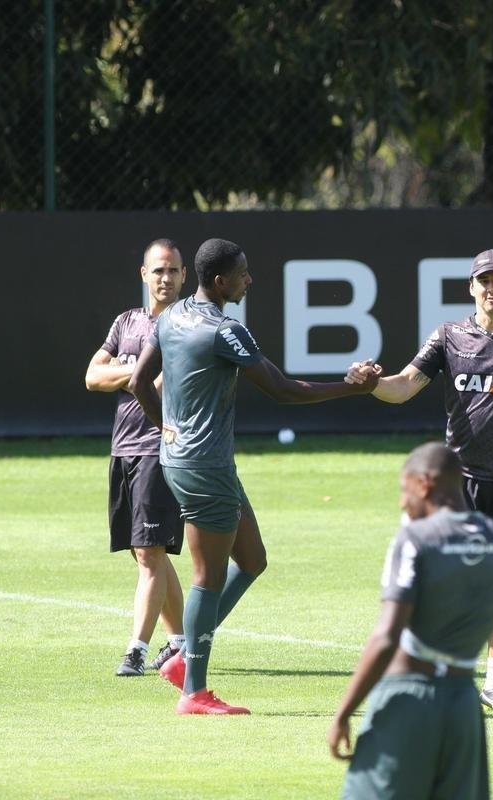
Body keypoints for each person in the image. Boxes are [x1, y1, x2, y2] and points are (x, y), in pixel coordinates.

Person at [128, 237, 380, 715]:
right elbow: (283, 391)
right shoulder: (226, 331)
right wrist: (353, 389)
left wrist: (166, 429)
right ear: (219, 281)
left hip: (185, 460)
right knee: (207, 577)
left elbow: (139, 382)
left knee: (252, 559)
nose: (250, 279)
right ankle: (193, 690)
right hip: (206, 467)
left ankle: (184, 660)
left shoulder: (172, 316)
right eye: (242, 273)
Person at [346, 248, 493, 714]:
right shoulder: (448, 336)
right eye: (484, 280)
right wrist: (371, 383)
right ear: (471, 287)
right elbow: (404, 385)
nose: (492, 288)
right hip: (459, 482)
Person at [328, 442, 493, 800]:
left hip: (407, 701)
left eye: (404, 490)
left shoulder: (415, 539)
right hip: (463, 706)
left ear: (424, 484)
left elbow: (387, 637)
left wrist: (343, 713)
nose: (402, 503)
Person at [85, 238, 187, 678]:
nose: (166, 278)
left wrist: (126, 374)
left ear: (185, 276)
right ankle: (181, 642)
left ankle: (136, 651)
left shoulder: (185, 325)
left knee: (149, 552)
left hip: (158, 448)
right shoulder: (126, 322)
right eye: (158, 270)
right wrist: (136, 371)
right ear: (144, 274)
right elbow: (92, 376)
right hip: (122, 447)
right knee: (147, 553)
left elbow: (157, 388)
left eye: (173, 270)